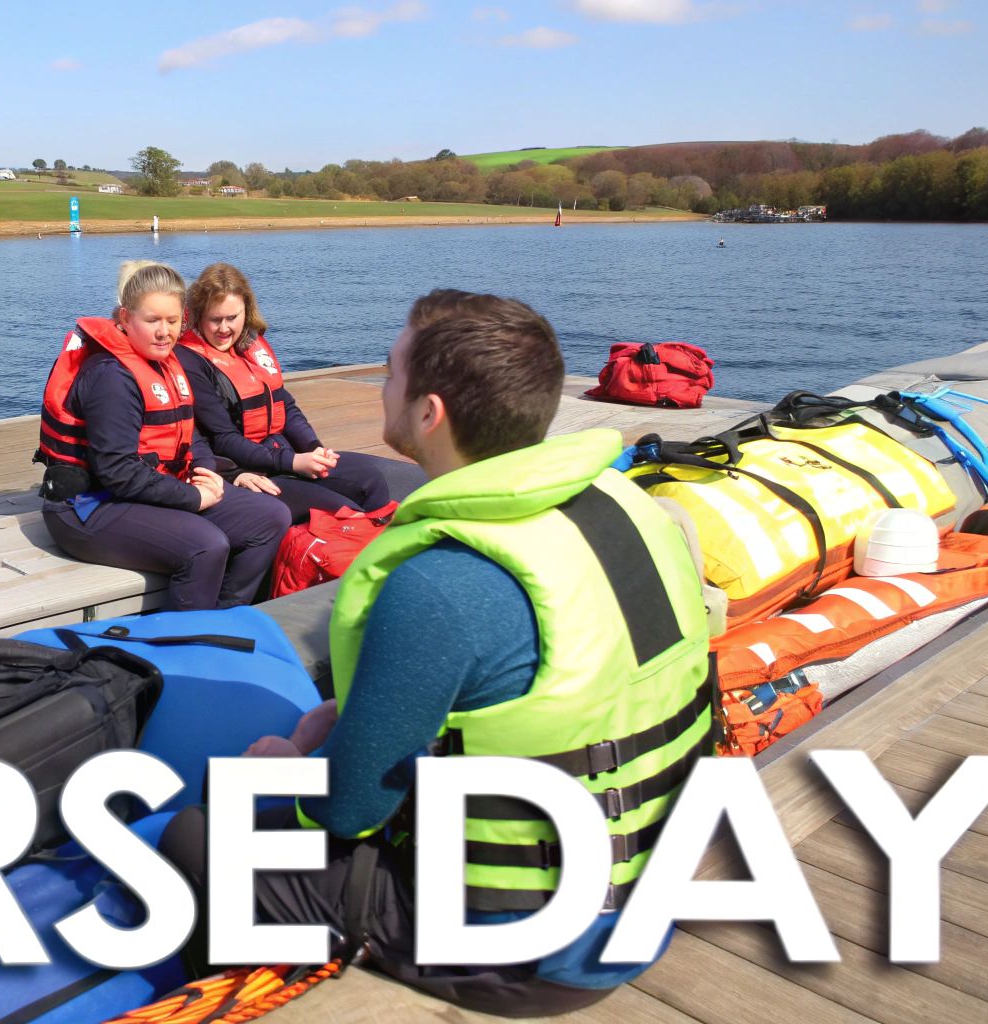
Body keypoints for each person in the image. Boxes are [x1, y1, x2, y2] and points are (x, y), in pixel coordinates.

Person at [161, 290, 713, 1015]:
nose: (381, 386)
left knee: (200, 832)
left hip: (529, 955)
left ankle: (242, 996)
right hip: (646, 895)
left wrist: (282, 771)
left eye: (389, 373)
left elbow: (347, 810)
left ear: (430, 414)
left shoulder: (439, 584)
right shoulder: (629, 507)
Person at [36, 261, 291, 610]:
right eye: (152, 320)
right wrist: (191, 497)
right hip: (89, 508)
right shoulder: (112, 377)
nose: (164, 332)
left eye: (172, 322)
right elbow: (117, 472)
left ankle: (224, 619)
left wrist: (207, 474)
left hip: (147, 490)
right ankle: (182, 643)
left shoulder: (167, 364)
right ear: (125, 319)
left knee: (270, 517)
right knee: (206, 545)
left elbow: (189, 434)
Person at [175, 263, 390, 523]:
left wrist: (314, 450)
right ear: (199, 315)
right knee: (341, 511)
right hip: (242, 468)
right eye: (214, 319)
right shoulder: (191, 361)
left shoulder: (250, 346)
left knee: (370, 479)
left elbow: (285, 405)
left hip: (280, 453)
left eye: (232, 318)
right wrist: (293, 462)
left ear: (246, 311)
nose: (224, 328)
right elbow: (223, 439)